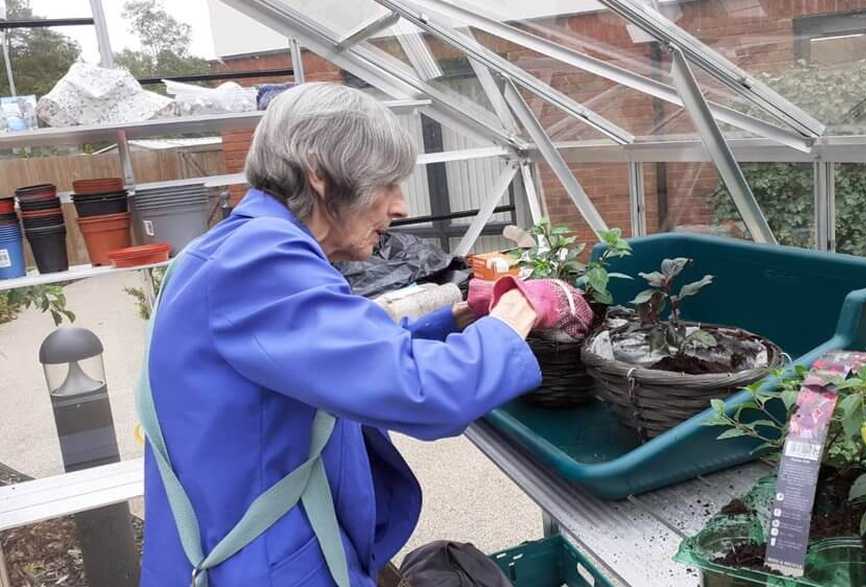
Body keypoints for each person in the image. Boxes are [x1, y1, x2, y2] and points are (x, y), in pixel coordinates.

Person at [138, 83, 591, 586]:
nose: (400, 206)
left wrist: (454, 322)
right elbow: (423, 393)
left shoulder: (236, 247)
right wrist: (518, 310)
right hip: (260, 567)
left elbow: (343, 354)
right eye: (387, 184)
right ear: (320, 174)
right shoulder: (259, 264)